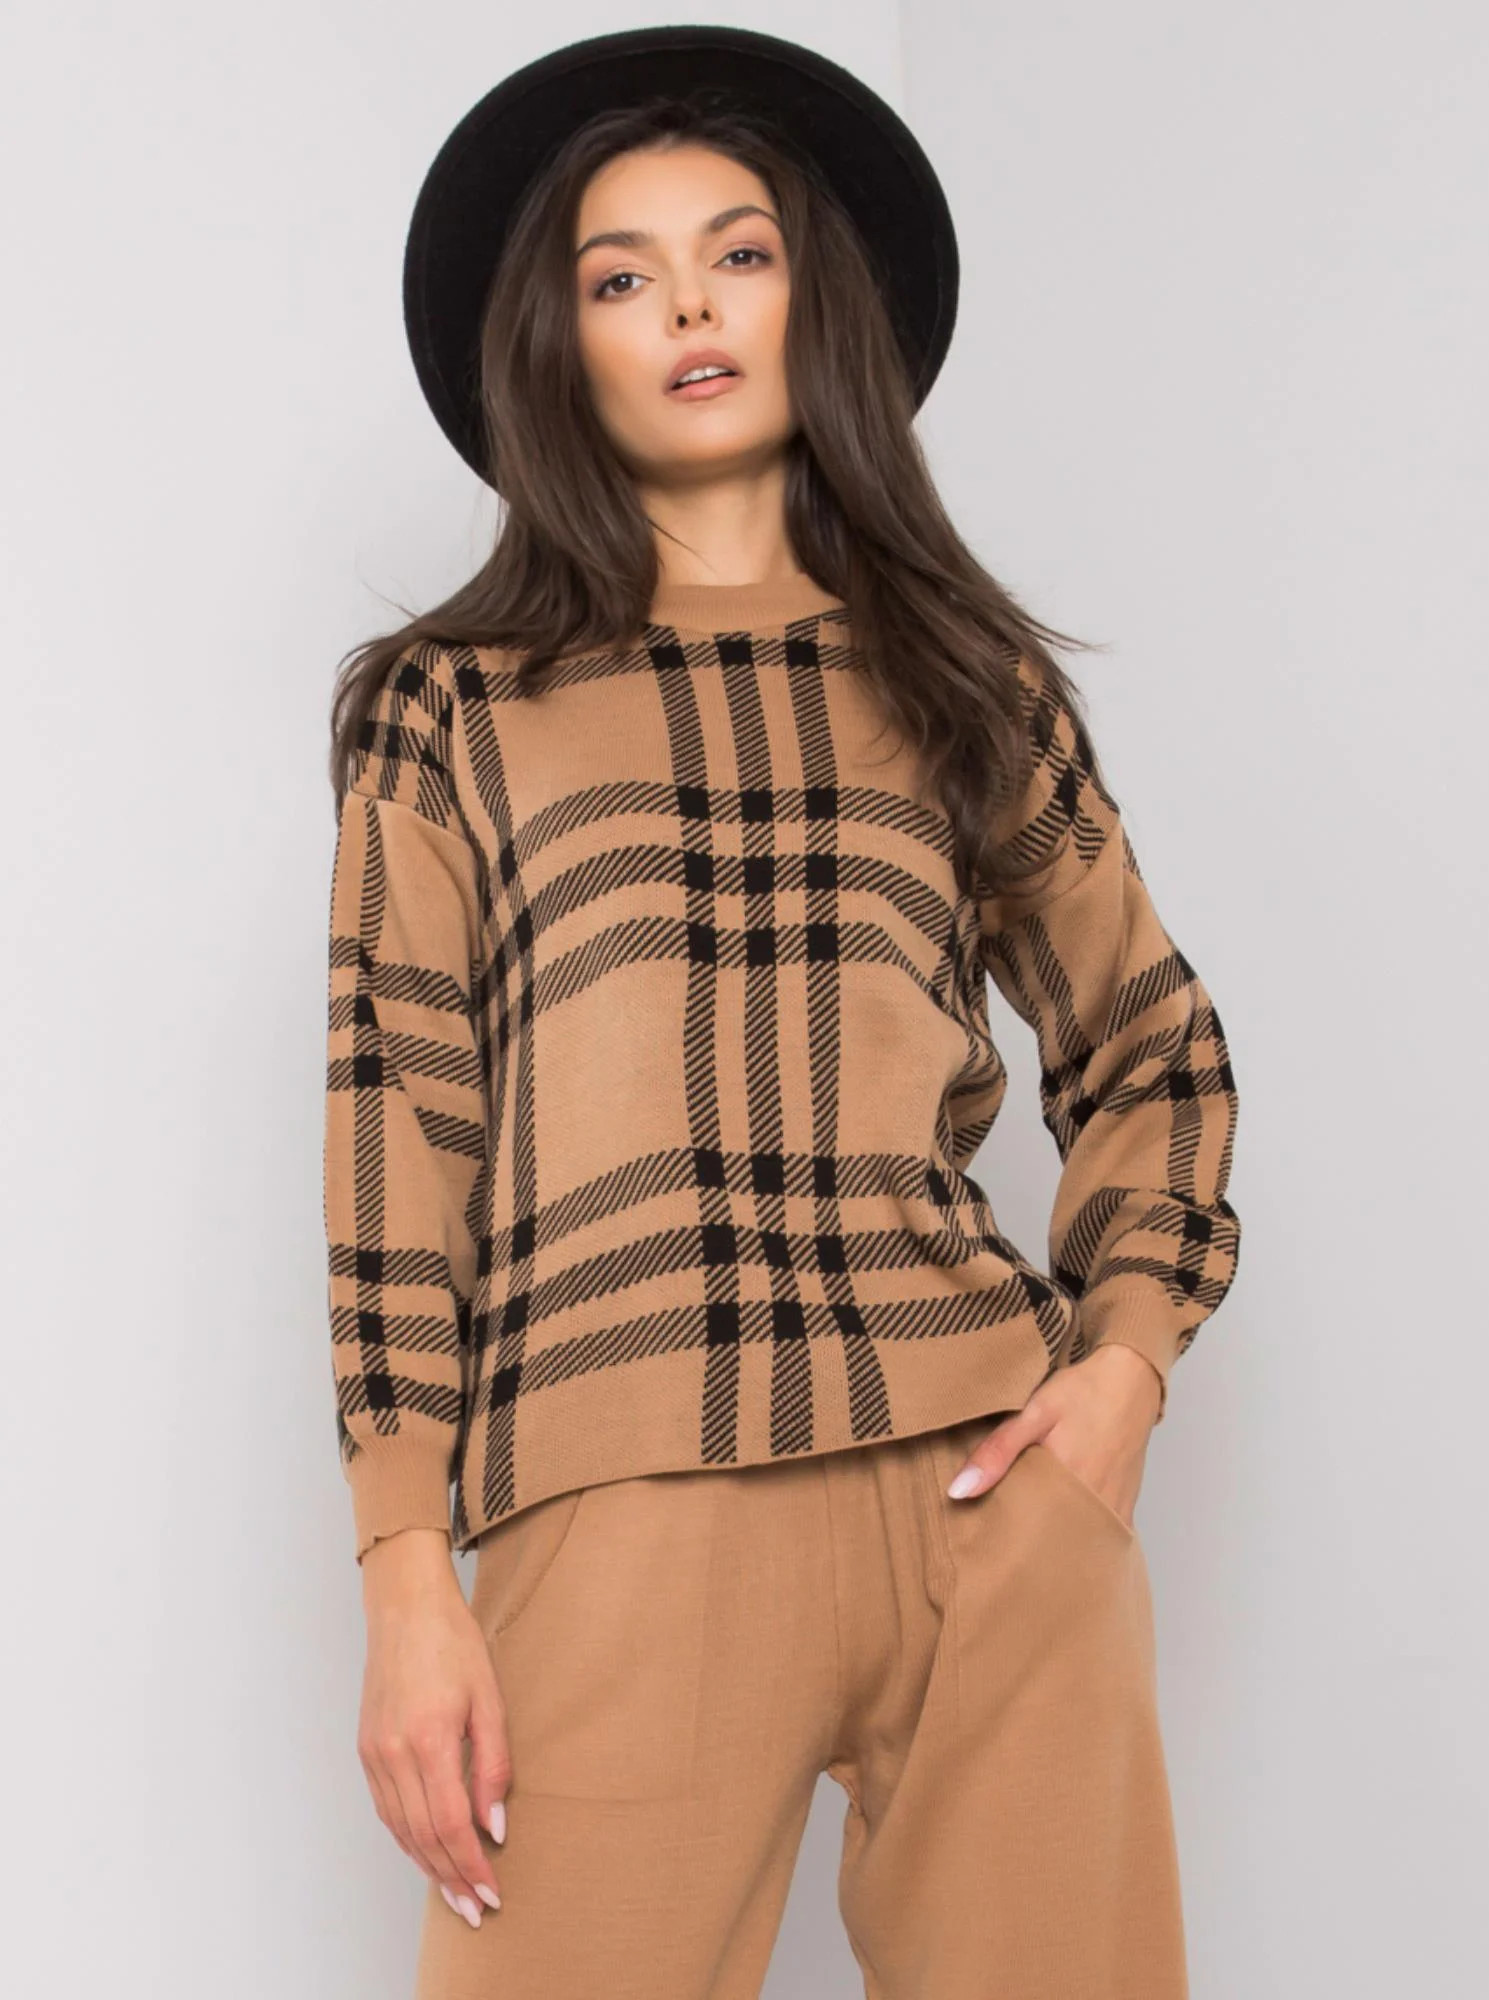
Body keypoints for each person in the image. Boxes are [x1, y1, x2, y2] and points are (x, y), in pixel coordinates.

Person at [321, 27, 1241, 1998]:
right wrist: (406, 1571)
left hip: (980, 1484)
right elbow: (400, 1135)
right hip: (623, 1490)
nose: (690, 309)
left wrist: (1122, 1374)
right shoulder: (452, 704)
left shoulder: (965, 680)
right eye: (622, 275)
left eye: (737, 255)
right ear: (557, 344)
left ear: (815, 302)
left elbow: (1151, 1042)